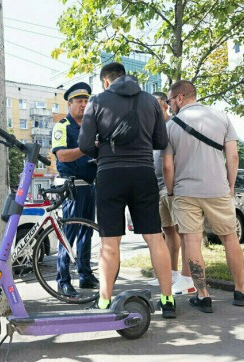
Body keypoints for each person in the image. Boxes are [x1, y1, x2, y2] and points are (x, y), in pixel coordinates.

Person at [78, 63, 175, 318]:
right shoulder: (151, 101)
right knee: (155, 237)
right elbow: (161, 142)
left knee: (110, 242)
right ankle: (167, 300)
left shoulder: (98, 101)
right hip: (144, 173)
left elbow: (85, 144)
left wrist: (104, 148)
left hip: (110, 174)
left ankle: (103, 303)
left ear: (106, 82)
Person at [162, 80, 244, 313]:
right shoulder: (221, 117)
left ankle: (203, 296)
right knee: (230, 238)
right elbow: (233, 156)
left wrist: (171, 191)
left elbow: (167, 167)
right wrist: (229, 186)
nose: (170, 105)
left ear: (180, 98)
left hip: (185, 192)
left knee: (191, 242)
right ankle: (241, 291)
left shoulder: (171, 126)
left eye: (171, 101)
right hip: (218, 190)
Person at [51, 81, 99, 298]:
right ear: (69, 104)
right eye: (79, 101)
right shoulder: (62, 126)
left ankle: (85, 275)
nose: (83, 105)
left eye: (86, 101)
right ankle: (62, 281)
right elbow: (61, 155)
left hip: (90, 186)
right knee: (68, 235)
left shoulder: (90, 127)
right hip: (71, 187)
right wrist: (86, 149)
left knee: (86, 233)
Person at [147, 92, 196, 295]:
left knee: (184, 233)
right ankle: (172, 273)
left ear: (166, 106)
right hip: (158, 187)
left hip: (174, 187)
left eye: (155, 106)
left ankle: (188, 279)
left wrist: (172, 187)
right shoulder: (153, 129)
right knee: (168, 231)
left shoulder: (174, 126)